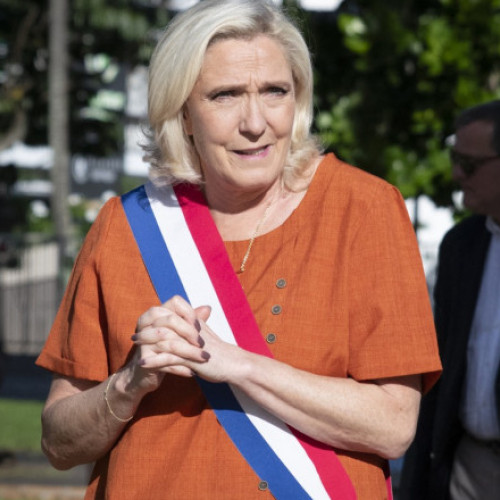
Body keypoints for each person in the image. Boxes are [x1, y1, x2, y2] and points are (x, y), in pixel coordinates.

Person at [36, 1, 441, 498]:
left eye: (275, 91)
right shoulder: (127, 224)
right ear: (183, 113)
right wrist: (128, 383)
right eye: (225, 95)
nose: (255, 122)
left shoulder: (364, 209)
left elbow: (393, 425)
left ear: (298, 99)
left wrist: (239, 365)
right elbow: (58, 444)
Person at [400, 100, 500, 500]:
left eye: (469, 164)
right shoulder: (462, 245)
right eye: (455, 160)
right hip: (467, 467)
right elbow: (439, 371)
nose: (457, 174)